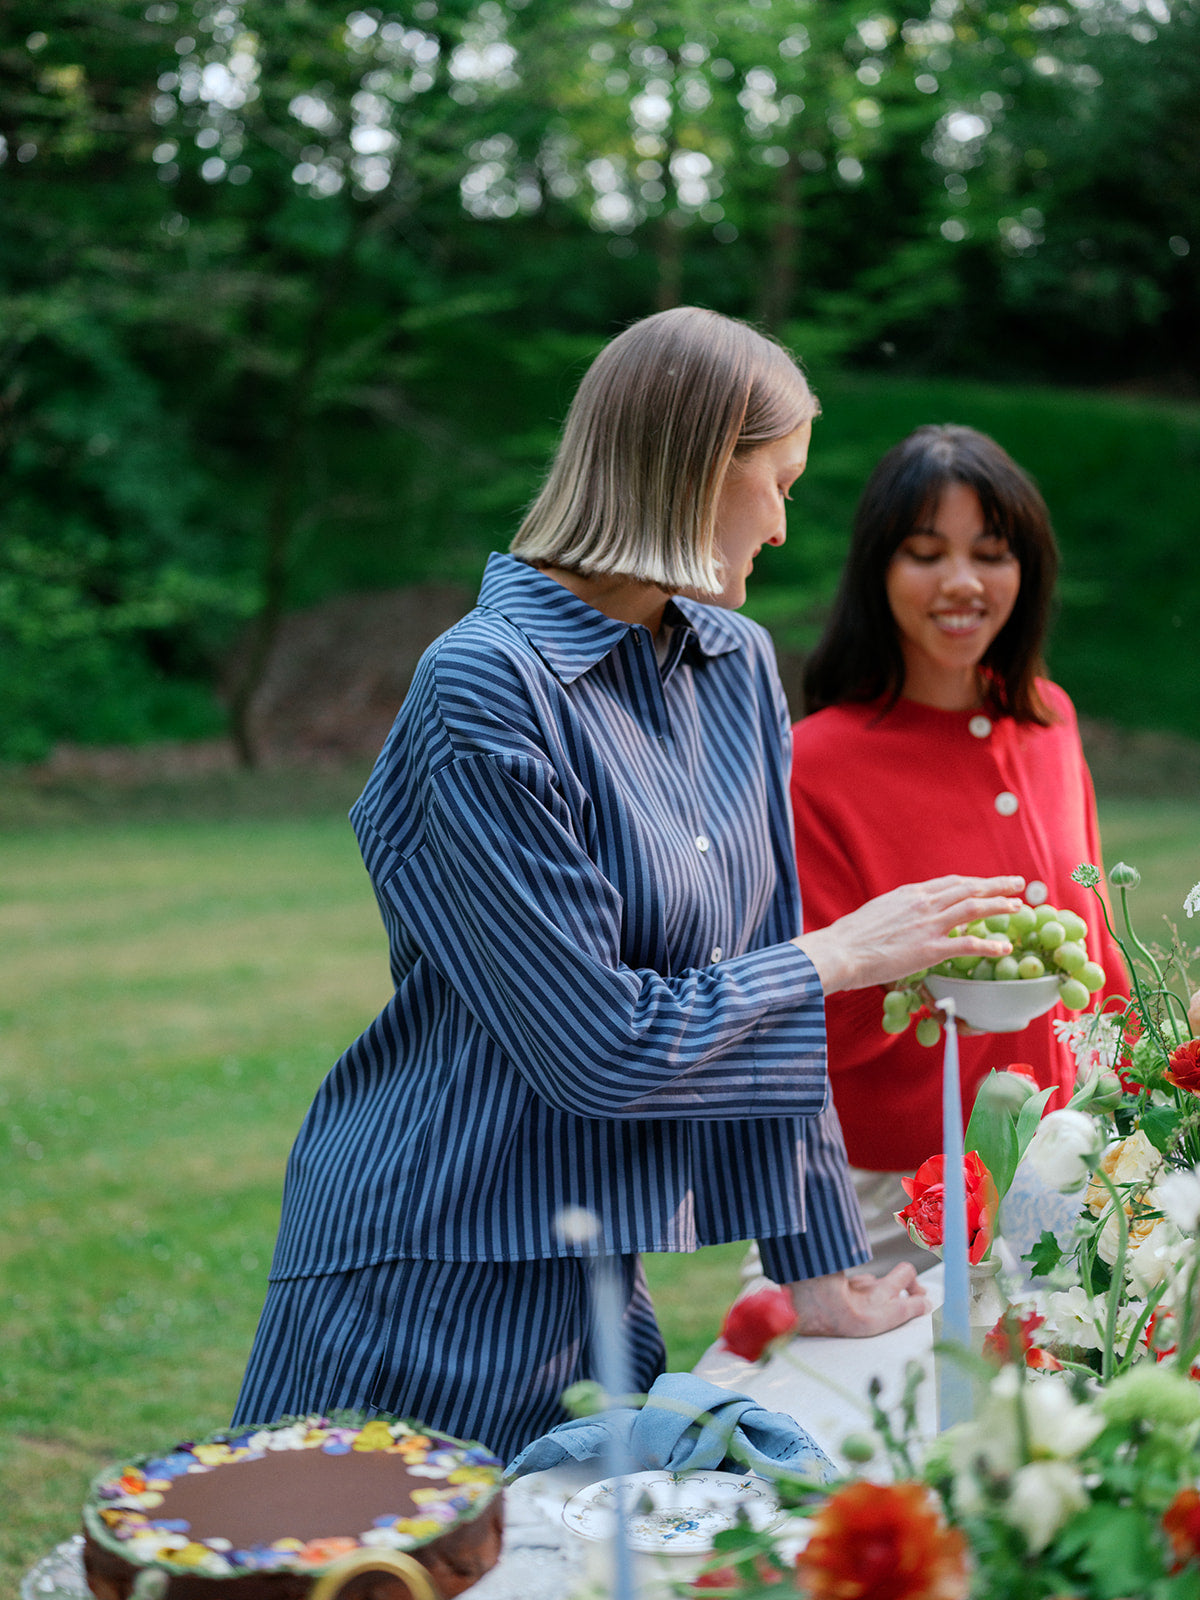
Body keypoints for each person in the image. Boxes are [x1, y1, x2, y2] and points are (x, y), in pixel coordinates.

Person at [232, 313, 1027, 1464]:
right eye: (778, 480)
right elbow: (598, 1044)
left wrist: (817, 1271)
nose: (785, 523)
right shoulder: (483, 688)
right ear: (705, 466)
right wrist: (843, 950)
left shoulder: (734, 663)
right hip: (423, 1273)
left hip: (600, 1273)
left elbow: (767, 987)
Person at [791, 424, 1127, 1272]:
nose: (963, 583)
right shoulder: (814, 763)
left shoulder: (1049, 720)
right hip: (895, 1200)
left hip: (1069, 1159)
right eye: (926, 552)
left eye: (991, 552)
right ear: (879, 568)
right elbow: (815, 1009)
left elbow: (1095, 952)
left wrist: (1145, 1074)